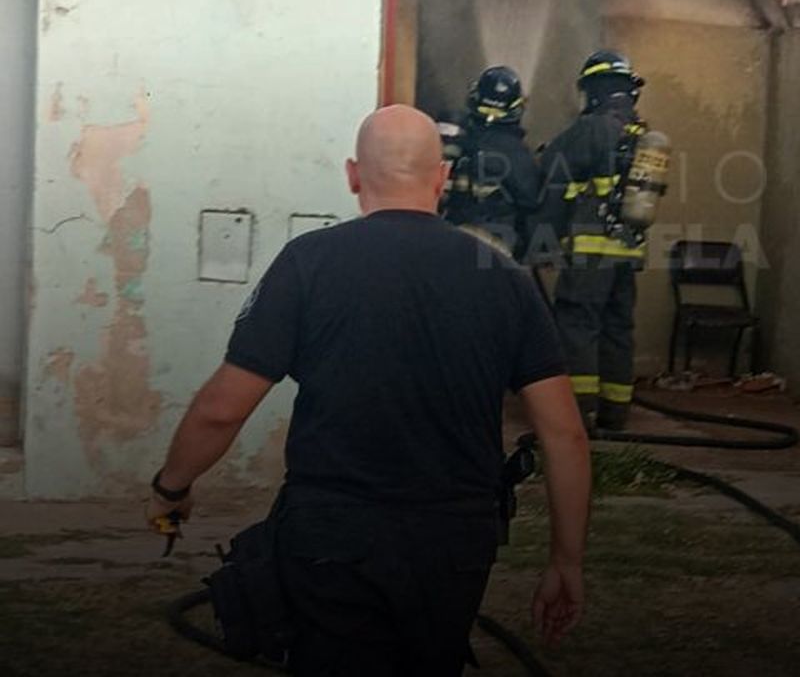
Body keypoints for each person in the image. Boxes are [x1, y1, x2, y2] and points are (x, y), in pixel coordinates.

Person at [145, 105, 592, 675]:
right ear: (442, 179)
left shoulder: (309, 262)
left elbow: (221, 409)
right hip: (455, 539)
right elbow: (565, 436)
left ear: (354, 175)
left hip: (332, 534)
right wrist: (566, 560)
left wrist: (171, 488)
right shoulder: (503, 278)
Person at [535, 50, 650, 433]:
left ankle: (578, 414)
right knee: (618, 327)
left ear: (595, 89)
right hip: (627, 249)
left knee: (577, 324)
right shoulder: (640, 133)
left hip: (590, 249)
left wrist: (543, 243)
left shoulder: (590, 129)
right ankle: (615, 413)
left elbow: (554, 176)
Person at [441, 65, 542, 259]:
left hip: (448, 237)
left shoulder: (453, 138)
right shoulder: (516, 152)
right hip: (495, 246)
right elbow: (530, 199)